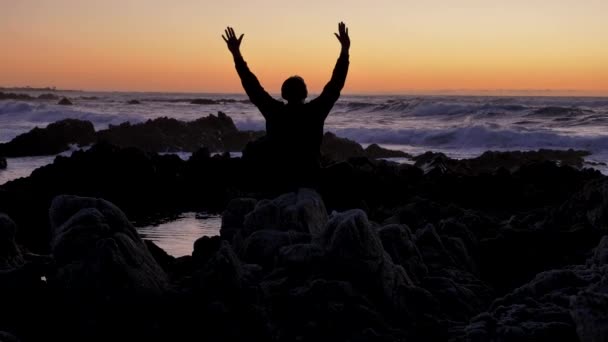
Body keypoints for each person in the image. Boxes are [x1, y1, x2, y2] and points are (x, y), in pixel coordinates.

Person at [222, 23, 350, 186]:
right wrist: (345, 50)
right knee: (345, 169)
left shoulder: (274, 110)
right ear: (305, 93)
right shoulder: (315, 111)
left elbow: (251, 85)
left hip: (277, 175)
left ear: (283, 94)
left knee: (252, 149)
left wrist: (236, 54)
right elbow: (336, 84)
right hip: (309, 175)